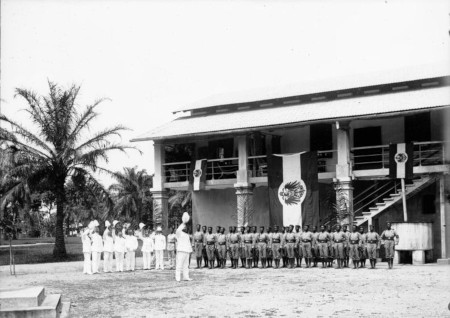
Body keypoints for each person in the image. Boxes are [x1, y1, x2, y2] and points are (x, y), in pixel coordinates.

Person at [175, 212, 193, 282]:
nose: (185, 228)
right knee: (179, 264)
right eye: (184, 227)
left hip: (187, 251)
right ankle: (178, 277)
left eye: (185, 227)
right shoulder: (179, 233)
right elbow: (178, 230)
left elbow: (189, 243)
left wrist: (190, 250)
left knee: (186, 265)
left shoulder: (187, 235)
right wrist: (183, 222)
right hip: (181, 250)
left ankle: (186, 277)